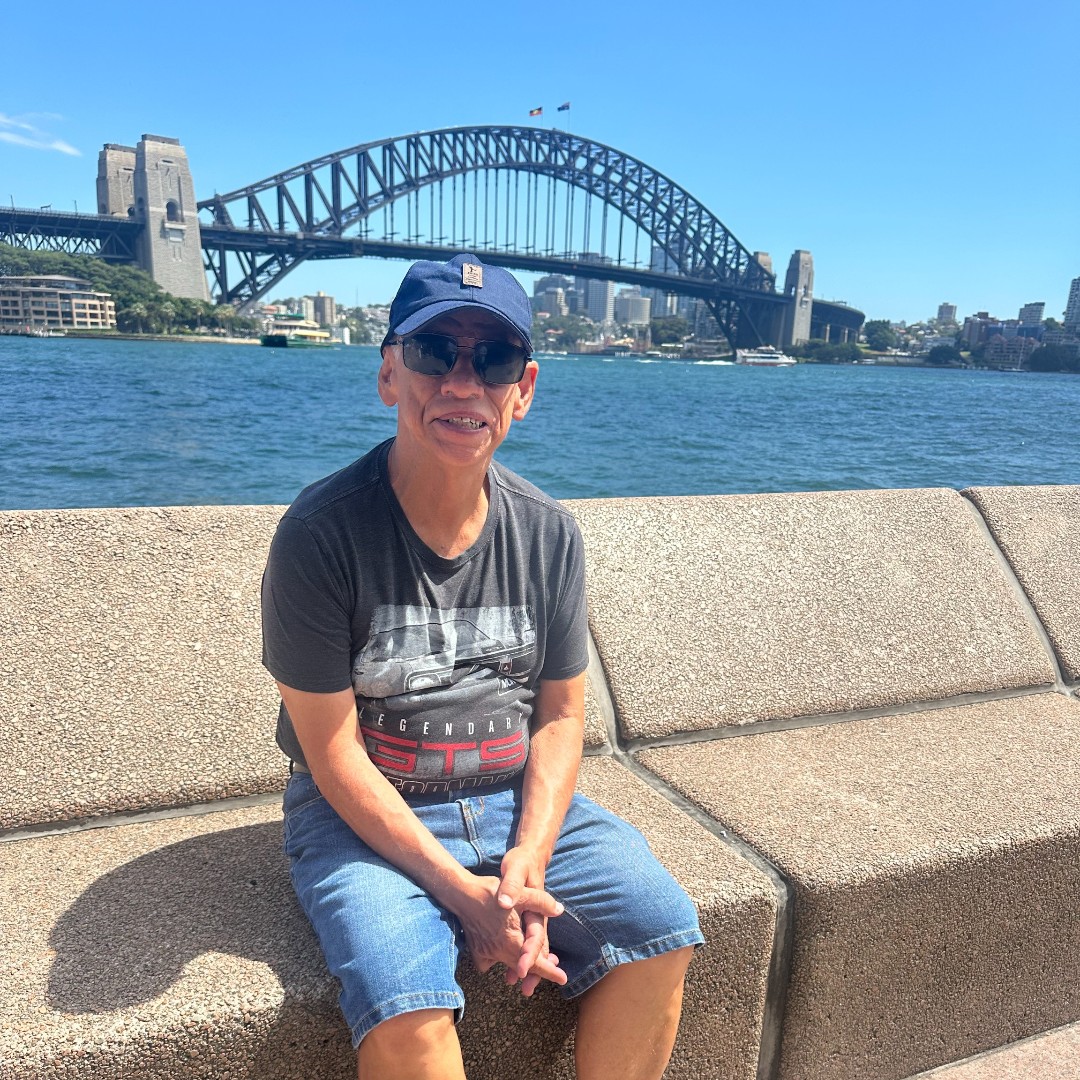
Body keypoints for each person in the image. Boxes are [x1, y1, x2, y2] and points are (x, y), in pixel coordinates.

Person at [261, 253, 703, 1080]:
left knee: (659, 928)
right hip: (362, 812)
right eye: (435, 353)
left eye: (494, 360)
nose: (463, 383)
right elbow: (331, 752)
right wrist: (467, 896)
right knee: (405, 1003)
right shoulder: (320, 534)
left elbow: (561, 718)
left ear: (522, 390)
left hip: (510, 797)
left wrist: (526, 859)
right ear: (389, 373)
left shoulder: (548, 532)